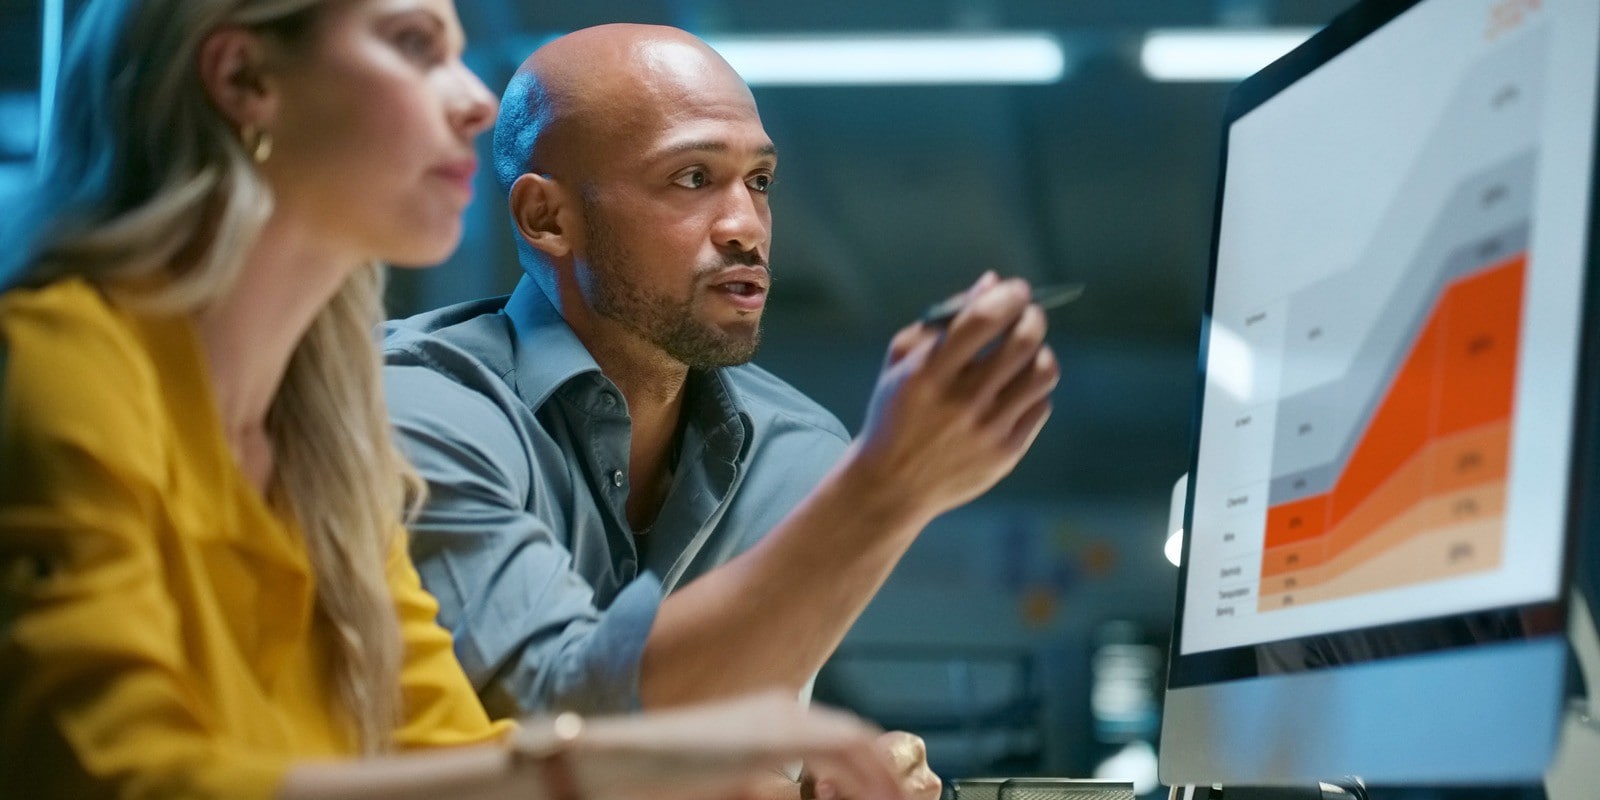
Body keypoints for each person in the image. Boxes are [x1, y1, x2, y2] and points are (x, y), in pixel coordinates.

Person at [0, 2, 917, 799]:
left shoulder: (328, 425)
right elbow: (109, 778)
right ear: (245, 78)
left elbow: (443, 748)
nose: (477, 100)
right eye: (413, 44)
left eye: (758, 182)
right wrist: (615, 771)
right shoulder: (57, 364)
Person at [382, 22, 1059, 800]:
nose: (746, 226)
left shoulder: (802, 453)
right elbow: (560, 719)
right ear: (547, 218)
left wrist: (820, 779)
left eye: (760, 181)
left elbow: (748, 758)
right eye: (693, 178)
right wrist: (886, 495)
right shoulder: (419, 406)